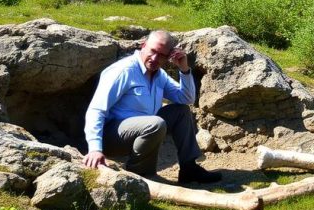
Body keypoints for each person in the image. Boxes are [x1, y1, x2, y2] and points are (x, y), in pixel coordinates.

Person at [82, 30, 221, 184]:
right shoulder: (124, 71)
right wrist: (95, 149)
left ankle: (189, 169)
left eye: (161, 55)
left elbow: (186, 99)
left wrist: (184, 69)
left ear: (169, 57)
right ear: (143, 46)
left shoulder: (159, 75)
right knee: (155, 124)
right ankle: (140, 176)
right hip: (110, 136)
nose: (155, 58)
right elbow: (96, 110)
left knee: (181, 111)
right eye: (153, 51)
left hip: (143, 131)